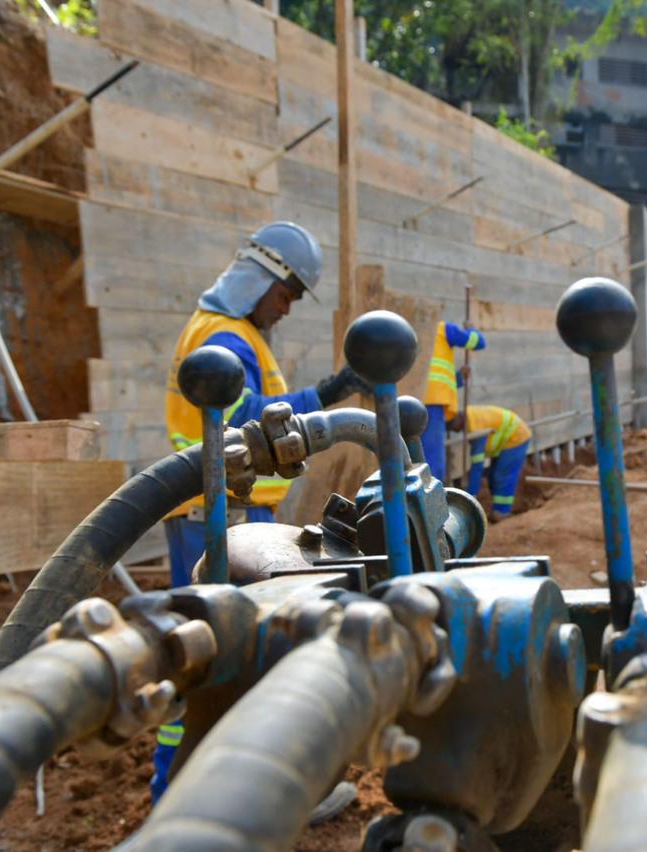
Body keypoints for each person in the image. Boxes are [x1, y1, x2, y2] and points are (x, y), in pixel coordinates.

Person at [154, 220, 369, 803]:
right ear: (261, 277)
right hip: (223, 518)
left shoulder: (221, 330)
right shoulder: (226, 338)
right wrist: (327, 396)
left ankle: (216, 792)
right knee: (222, 655)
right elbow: (247, 420)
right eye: (288, 293)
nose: (287, 307)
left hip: (218, 511)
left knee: (218, 652)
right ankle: (189, 797)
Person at [421, 322, 486, 482]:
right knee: (432, 457)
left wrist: (458, 378)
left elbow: (430, 375)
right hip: (433, 402)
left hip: (412, 399)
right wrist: (471, 329)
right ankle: (432, 493)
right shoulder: (443, 329)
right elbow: (478, 342)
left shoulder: (414, 330)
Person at [448, 404, 531, 522]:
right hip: (505, 440)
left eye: (453, 427)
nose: (455, 431)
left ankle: (502, 512)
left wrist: (470, 497)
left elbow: (477, 467)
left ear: (459, 419)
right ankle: (497, 509)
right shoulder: (471, 418)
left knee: (502, 475)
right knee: (493, 474)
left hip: (517, 437)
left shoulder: (477, 429)